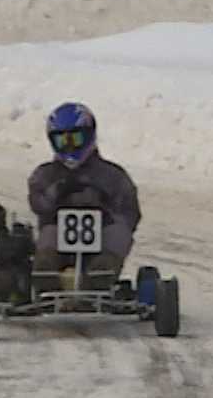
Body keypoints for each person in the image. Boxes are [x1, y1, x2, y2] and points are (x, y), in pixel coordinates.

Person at [29, 102, 140, 284]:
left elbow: (131, 212)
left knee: (119, 231)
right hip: (57, 234)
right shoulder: (45, 175)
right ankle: (46, 278)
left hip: (102, 236)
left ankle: (100, 277)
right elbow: (37, 204)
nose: (70, 147)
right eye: (63, 141)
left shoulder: (112, 175)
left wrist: (106, 212)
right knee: (49, 233)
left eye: (76, 139)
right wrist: (56, 193)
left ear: (89, 136)